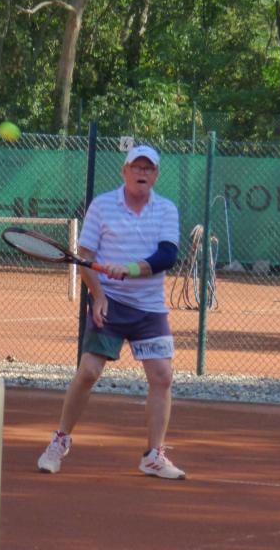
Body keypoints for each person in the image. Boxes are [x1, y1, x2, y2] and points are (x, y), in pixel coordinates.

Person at [37, 144, 185, 479]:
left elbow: (167, 256)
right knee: (89, 371)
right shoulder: (102, 205)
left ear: (156, 175)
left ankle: (153, 456)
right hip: (111, 303)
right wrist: (99, 296)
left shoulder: (166, 209)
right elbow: (85, 258)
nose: (142, 173)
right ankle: (59, 441)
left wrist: (130, 269)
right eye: (137, 167)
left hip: (149, 308)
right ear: (124, 171)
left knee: (162, 376)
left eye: (148, 168)